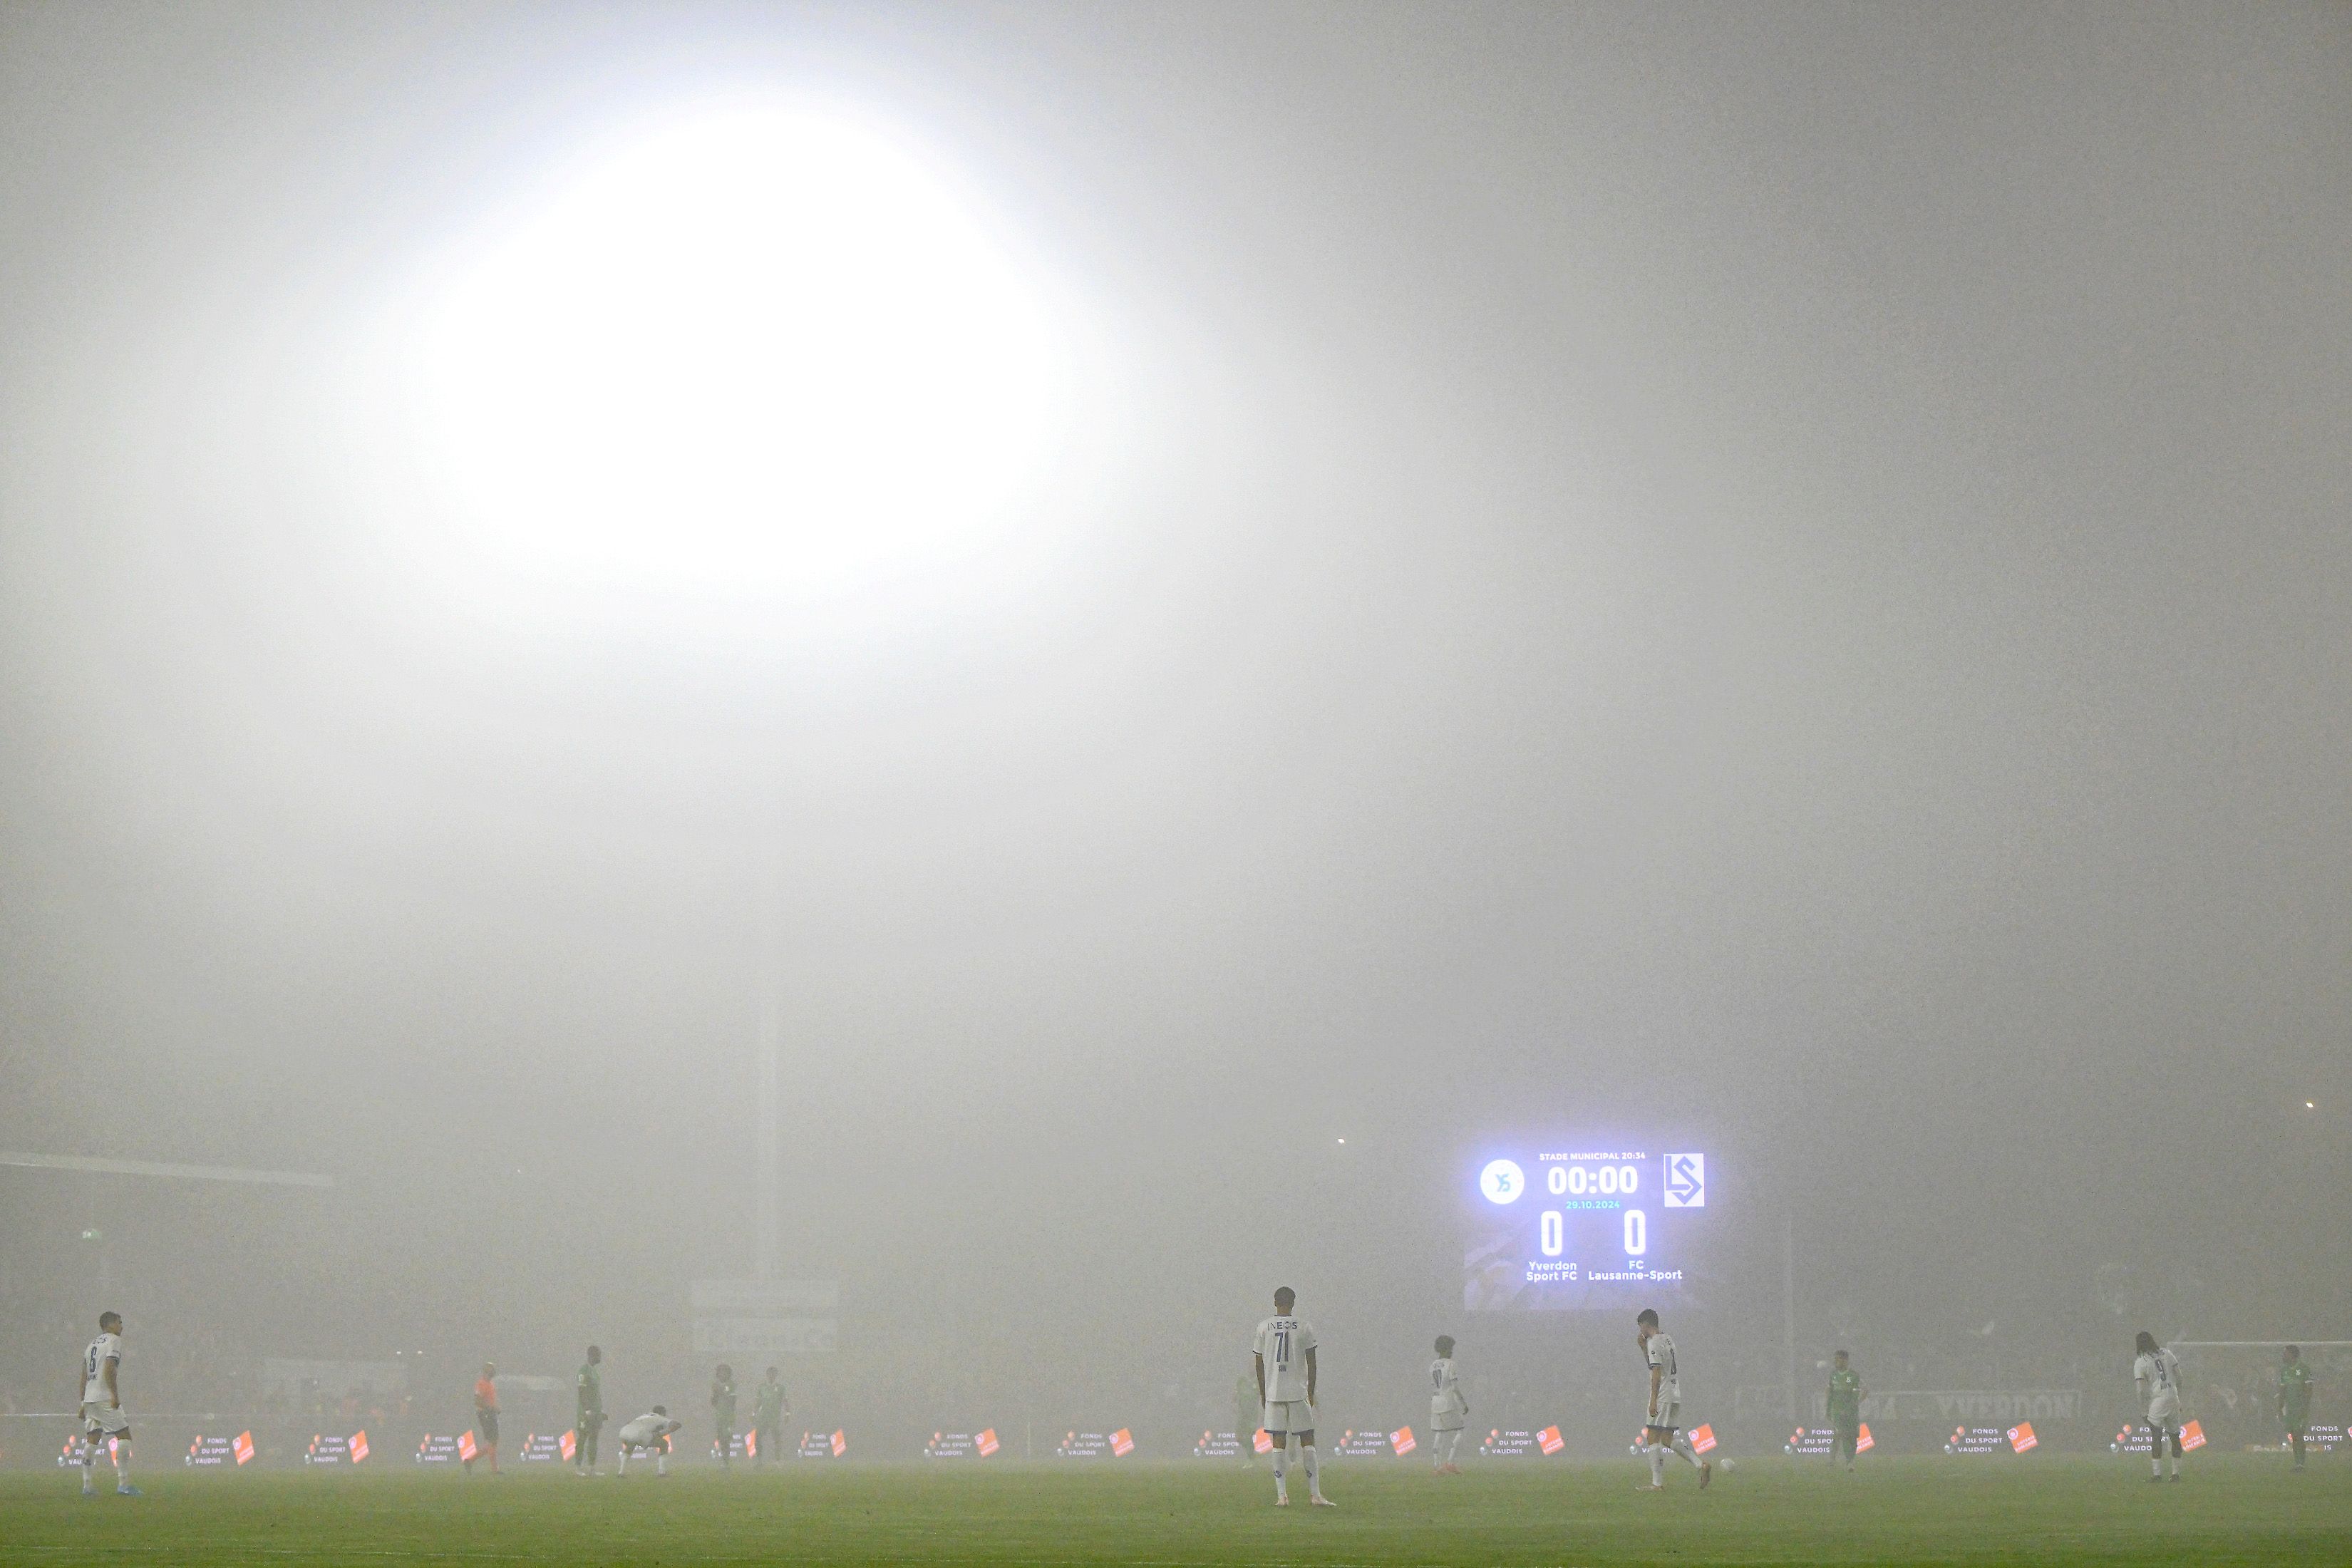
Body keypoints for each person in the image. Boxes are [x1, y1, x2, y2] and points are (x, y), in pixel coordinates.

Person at [1252, 1286, 1333, 1507]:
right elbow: (1313, 1362)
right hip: (1298, 1391)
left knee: (1278, 1442)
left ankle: (1282, 1497)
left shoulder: (1263, 1327)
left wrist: (1263, 1393)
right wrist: (1311, 1391)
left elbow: (1258, 1365)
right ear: (1294, 1302)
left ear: (1275, 1302)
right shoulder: (1304, 1326)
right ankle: (1315, 1495)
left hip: (1274, 1392)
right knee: (1308, 1439)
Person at [1634, 1309, 1710, 1491]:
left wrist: (1653, 1400)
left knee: (1652, 1437)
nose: (1640, 1331)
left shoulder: (1654, 1343)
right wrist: (1643, 1348)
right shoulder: (1668, 1339)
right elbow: (1657, 1365)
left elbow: (1656, 1373)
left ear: (1646, 1324)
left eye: (1640, 1326)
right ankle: (1701, 1465)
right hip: (1675, 1393)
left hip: (1662, 1395)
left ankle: (1657, 1484)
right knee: (1667, 1438)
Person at [75, 1311, 138, 1497]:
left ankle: (87, 1486)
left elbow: (84, 1376)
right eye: (120, 1322)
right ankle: (124, 1484)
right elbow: (110, 1368)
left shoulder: (91, 1344)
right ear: (110, 1325)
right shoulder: (114, 1341)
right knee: (124, 1436)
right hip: (104, 1396)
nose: (122, 1326)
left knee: (92, 1438)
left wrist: (82, 1403)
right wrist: (114, 1395)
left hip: (90, 1398)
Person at [2133, 1331, 2185, 1482]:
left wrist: (2144, 1410)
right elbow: (2180, 1377)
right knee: (2175, 1437)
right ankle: (2175, 1474)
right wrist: (2178, 1398)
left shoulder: (2141, 1361)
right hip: (2173, 1397)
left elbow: (2141, 1389)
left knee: (2156, 1437)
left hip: (2158, 1400)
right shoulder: (2167, 1353)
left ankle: (2157, 1475)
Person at [1428, 1335, 1469, 1474]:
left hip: (1435, 1402)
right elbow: (1454, 1388)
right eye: (1450, 1348)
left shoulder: (1432, 1366)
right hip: (1447, 1401)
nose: (1452, 1351)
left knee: (1439, 1433)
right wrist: (1463, 1404)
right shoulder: (1451, 1364)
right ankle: (1450, 1462)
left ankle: (1436, 1466)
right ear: (1445, 1349)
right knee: (1460, 1429)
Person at [1827, 1351, 1866, 1471]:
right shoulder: (1833, 1375)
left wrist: (1854, 1405)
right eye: (1835, 1359)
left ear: (1845, 1360)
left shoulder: (1853, 1376)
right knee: (1840, 1433)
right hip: (1837, 1412)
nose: (1835, 1362)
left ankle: (1848, 1460)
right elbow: (1830, 1393)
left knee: (1852, 1437)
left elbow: (1861, 1392)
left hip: (1851, 1413)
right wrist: (1828, 1410)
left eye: (1838, 1359)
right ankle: (1844, 1462)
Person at [616, 1406, 683, 1476]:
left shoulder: (644, 1415)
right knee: (664, 1444)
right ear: (662, 1413)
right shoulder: (660, 1418)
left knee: (630, 1446)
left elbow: (629, 1422)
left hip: (624, 1432)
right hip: (640, 1433)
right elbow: (677, 1424)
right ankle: (662, 1472)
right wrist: (661, 1433)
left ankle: (621, 1472)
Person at [2278, 1345, 2314, 1472]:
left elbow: (2309, 1389)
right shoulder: (2284, 1370)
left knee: (2299, 1434)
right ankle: (2297, 1463)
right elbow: (2282, 1390)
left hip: (2300, 1408)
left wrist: (2304, 1406)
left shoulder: (2304, 1369)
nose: (2283, 1355)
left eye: (2286, 1353)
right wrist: (2280, 1408)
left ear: (2292, 1354)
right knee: (2294, 1435)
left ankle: (2301, 1464)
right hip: (2290, 1408)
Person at [573, 1346, 604, 1476]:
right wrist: (586, 1409)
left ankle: (592, 1467)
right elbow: (582, 1391)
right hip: (586, 1411)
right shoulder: (584, 1370)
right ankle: (578, 1467)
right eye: (598, 1355)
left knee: (594, 1437)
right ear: (592, 1355)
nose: (600, 1357)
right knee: (582, 1437)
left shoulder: (595, 1372)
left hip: (596, 1410)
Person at [468, 1362, 500, 1475]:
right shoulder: (481, 1384)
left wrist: (494, 1408)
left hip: (490, 1413)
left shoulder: (490, 1383)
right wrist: (490, 1408)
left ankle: (471, 1460)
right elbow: (478, 1400)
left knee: (493, 1442)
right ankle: (494, 1470)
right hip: (486, 1414)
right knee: (492, 1441)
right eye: (492, 1369)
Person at [753, 1367, 787, 1465]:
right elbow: (758, 1402)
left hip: (775, 1417)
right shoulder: (761, 1387)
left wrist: (787, 1413)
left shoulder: (780, 1388)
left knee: (777, 1439)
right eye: (770, 1374)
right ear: (767, 1375)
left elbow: (785, 1401)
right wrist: (753, 1413)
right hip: (763, 1417)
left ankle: (777, 1461)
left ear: (776, 1375)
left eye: (773, 1374)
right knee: (758, 1438)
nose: (771, 1376)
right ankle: (759, 1461)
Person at [711, 1363, 738, 1469]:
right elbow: (713, 1403)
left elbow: (733, 1401)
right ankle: (725, 1462)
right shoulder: (715, 1385)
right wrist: (715, 1393)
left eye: (725, 1372)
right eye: (721, 1372)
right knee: (721, 1440)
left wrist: (721, 1391)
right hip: (719, 1416)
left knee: (726, 1439)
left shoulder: (731, 1385)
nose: (723, 1374)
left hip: (729, 1417)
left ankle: (726, 1463)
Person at [1234, 1370, 1262, 1468]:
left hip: (1252, 1415)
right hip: (1242, 1415)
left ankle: (1251, 1460)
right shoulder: (1242, 1380)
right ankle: (1252, 1454)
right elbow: (1235, 1396)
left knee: (1249, 1436)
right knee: (1238, 1437)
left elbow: (1261, 1396)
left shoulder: (1258, 1382)